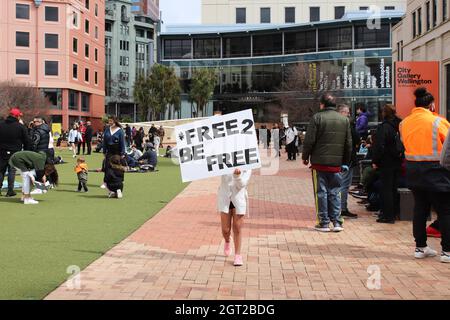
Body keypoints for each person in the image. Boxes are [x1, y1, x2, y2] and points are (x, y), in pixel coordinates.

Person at [399, 87, 450, 263]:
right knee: (444, 211)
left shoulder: (404, 123)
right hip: (437, 172)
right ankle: (447, 251)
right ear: (432, 105)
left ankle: (420, 247)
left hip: (413, 171)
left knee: (420, 209)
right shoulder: (438, 121)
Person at [302, 93, 352, 232]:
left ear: (322, 104)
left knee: (321, 193)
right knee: (336, 192)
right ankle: (337, 221)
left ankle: (323, 222)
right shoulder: (344, 120)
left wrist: (305, 157)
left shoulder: (317, 118)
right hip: (336, 163)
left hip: (319, 163)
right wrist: (346, 161)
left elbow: (309, 141)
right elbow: (348, 143)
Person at [372, 104, 403, 224]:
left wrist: (375, 161)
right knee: (394, 187)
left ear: (384, 113)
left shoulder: (384, 127)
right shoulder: (400, 125)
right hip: (398, 160)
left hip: (386, 161)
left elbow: (379, 146)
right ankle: (394, 213)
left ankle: (387, 215)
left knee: (386, 189)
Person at [218, 168, 251, 266]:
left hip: (238, 197)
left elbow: (242, 184)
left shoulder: (248, 163)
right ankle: (227, 240)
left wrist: (237, 176)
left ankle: (238, 255)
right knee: (225, 229)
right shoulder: (223, 157)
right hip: (225, 197)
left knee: (237, 227)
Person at [0, 108, 31, 197]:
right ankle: (10, 191)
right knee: (11, 171)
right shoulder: (20, 127)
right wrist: (26, 152)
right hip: (15, 152)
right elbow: (27, 141)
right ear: (17, 116)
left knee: (1, 170)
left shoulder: (1, 124)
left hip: (1, 151)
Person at [337, 104, 359, 219]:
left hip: (337, 158)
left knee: (337, 184)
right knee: (344, 185)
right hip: (347, 159)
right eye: (347, 112)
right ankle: (342, 208)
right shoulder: (347, 125)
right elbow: (356, 138)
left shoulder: (334, 124)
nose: (349, 114)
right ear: (341, 112)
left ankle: (338, 208)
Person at [102, 116, 126, 192]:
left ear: (115, 121)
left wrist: (122, 153)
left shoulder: (120, 130)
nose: (109, 122)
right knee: (107, 166)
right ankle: (105, 182)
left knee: (118, 166)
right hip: (109, 150)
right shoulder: (107, 130)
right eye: (109, 121)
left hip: (117, 151)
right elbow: (104, 141)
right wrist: (104, 151)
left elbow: (122, 142)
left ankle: (120, 181)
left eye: (111, 121)